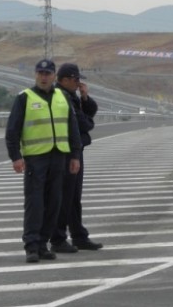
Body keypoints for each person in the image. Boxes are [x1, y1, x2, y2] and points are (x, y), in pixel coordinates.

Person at [5, 59, 82, 263]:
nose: (44, 76)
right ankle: (31, 246)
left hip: (59, 157)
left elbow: (72, 128)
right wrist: (15, 157)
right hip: (35, 158)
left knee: (53, 203)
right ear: (35, 75)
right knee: (35, 203)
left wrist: (75, 155)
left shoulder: (62, 98)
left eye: (48, 73)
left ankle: (43, 244)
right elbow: (12, 130)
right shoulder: (25, 98)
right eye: (40, 73)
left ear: (54, 76)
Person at [50, 63, 103, 253]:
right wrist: (87, 120)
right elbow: (84, 123)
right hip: (65, 153)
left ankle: (79, 236)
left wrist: (85, 97)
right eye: (75, 80)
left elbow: (89, 114)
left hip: (74, 151)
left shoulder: (71, 96)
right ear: (64, 80)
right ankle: (58, 238)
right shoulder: (61, 97)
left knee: (73, 198)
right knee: (64, 198)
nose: (78, 83)